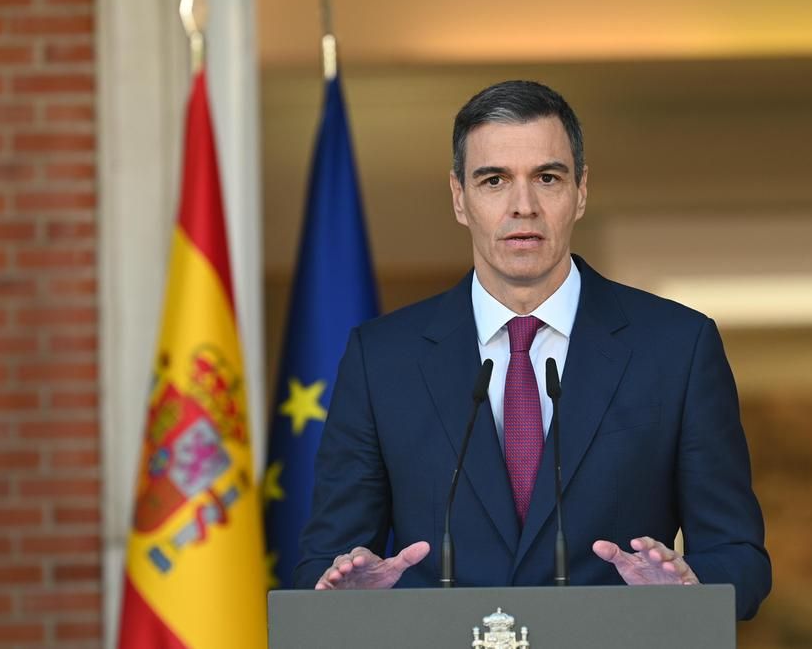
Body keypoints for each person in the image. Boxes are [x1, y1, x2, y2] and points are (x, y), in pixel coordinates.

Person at [294, 80, 771, 619]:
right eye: (494, 180)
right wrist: (346, 596)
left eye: (547, 178)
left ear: (581, 191)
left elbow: (741, 559)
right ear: (459, 198)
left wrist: (691, 588)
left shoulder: (678, 348)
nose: (524, 206)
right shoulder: (381, 359)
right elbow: (322, 563)